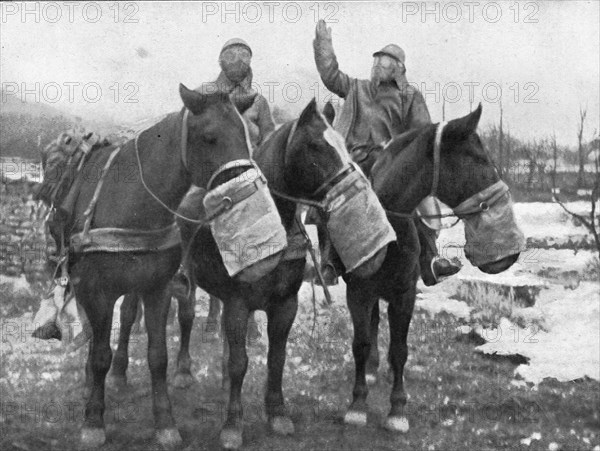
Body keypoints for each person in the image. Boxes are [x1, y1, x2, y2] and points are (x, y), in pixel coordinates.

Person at [312, 20, 461, 285]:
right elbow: (330, 75)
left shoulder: (410, 96)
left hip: (391, 161)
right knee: (331, 197)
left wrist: (400, 151)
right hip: (354, 160)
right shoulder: (356, 87)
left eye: (383, 62)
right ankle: (331, 263)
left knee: (417, 197)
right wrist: (324, 46)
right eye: (375, 61)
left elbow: (422, 133)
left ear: (398, 68)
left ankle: (430, 262)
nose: (377, 66)